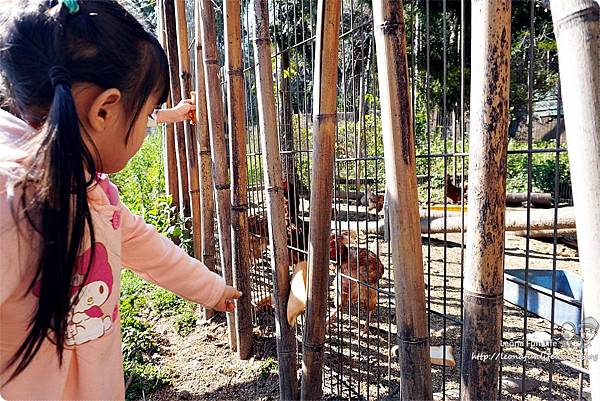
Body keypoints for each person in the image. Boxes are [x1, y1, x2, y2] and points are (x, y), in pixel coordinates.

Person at [0, 1, 241, 399]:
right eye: (147, 116)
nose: (147, 128)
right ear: (105, 110)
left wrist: (211, 289)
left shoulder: (90, 189)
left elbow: (144, 245)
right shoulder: (13, 202)